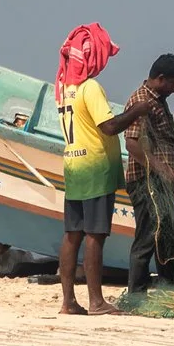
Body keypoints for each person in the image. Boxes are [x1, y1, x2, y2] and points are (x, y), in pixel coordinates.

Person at [54, 35, 125, 316]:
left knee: (72, 235)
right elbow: (108, 126)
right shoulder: (90, 87)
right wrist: (137, 111)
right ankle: (96, 301)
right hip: (95, 169)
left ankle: (68, 301)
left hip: (73, 167)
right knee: (96, 235)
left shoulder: (63, 87)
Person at [107, 54, 174, 295]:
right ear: (160, 79)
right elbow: (133, 144)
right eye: (173, 84)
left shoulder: (159, 100)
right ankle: (136, 292)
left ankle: (167, 285)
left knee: (166, 236)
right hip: (146, 181)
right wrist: (162, 169)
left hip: (162, 182)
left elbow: (159, 139)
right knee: (147, 235)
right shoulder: (141, 101)